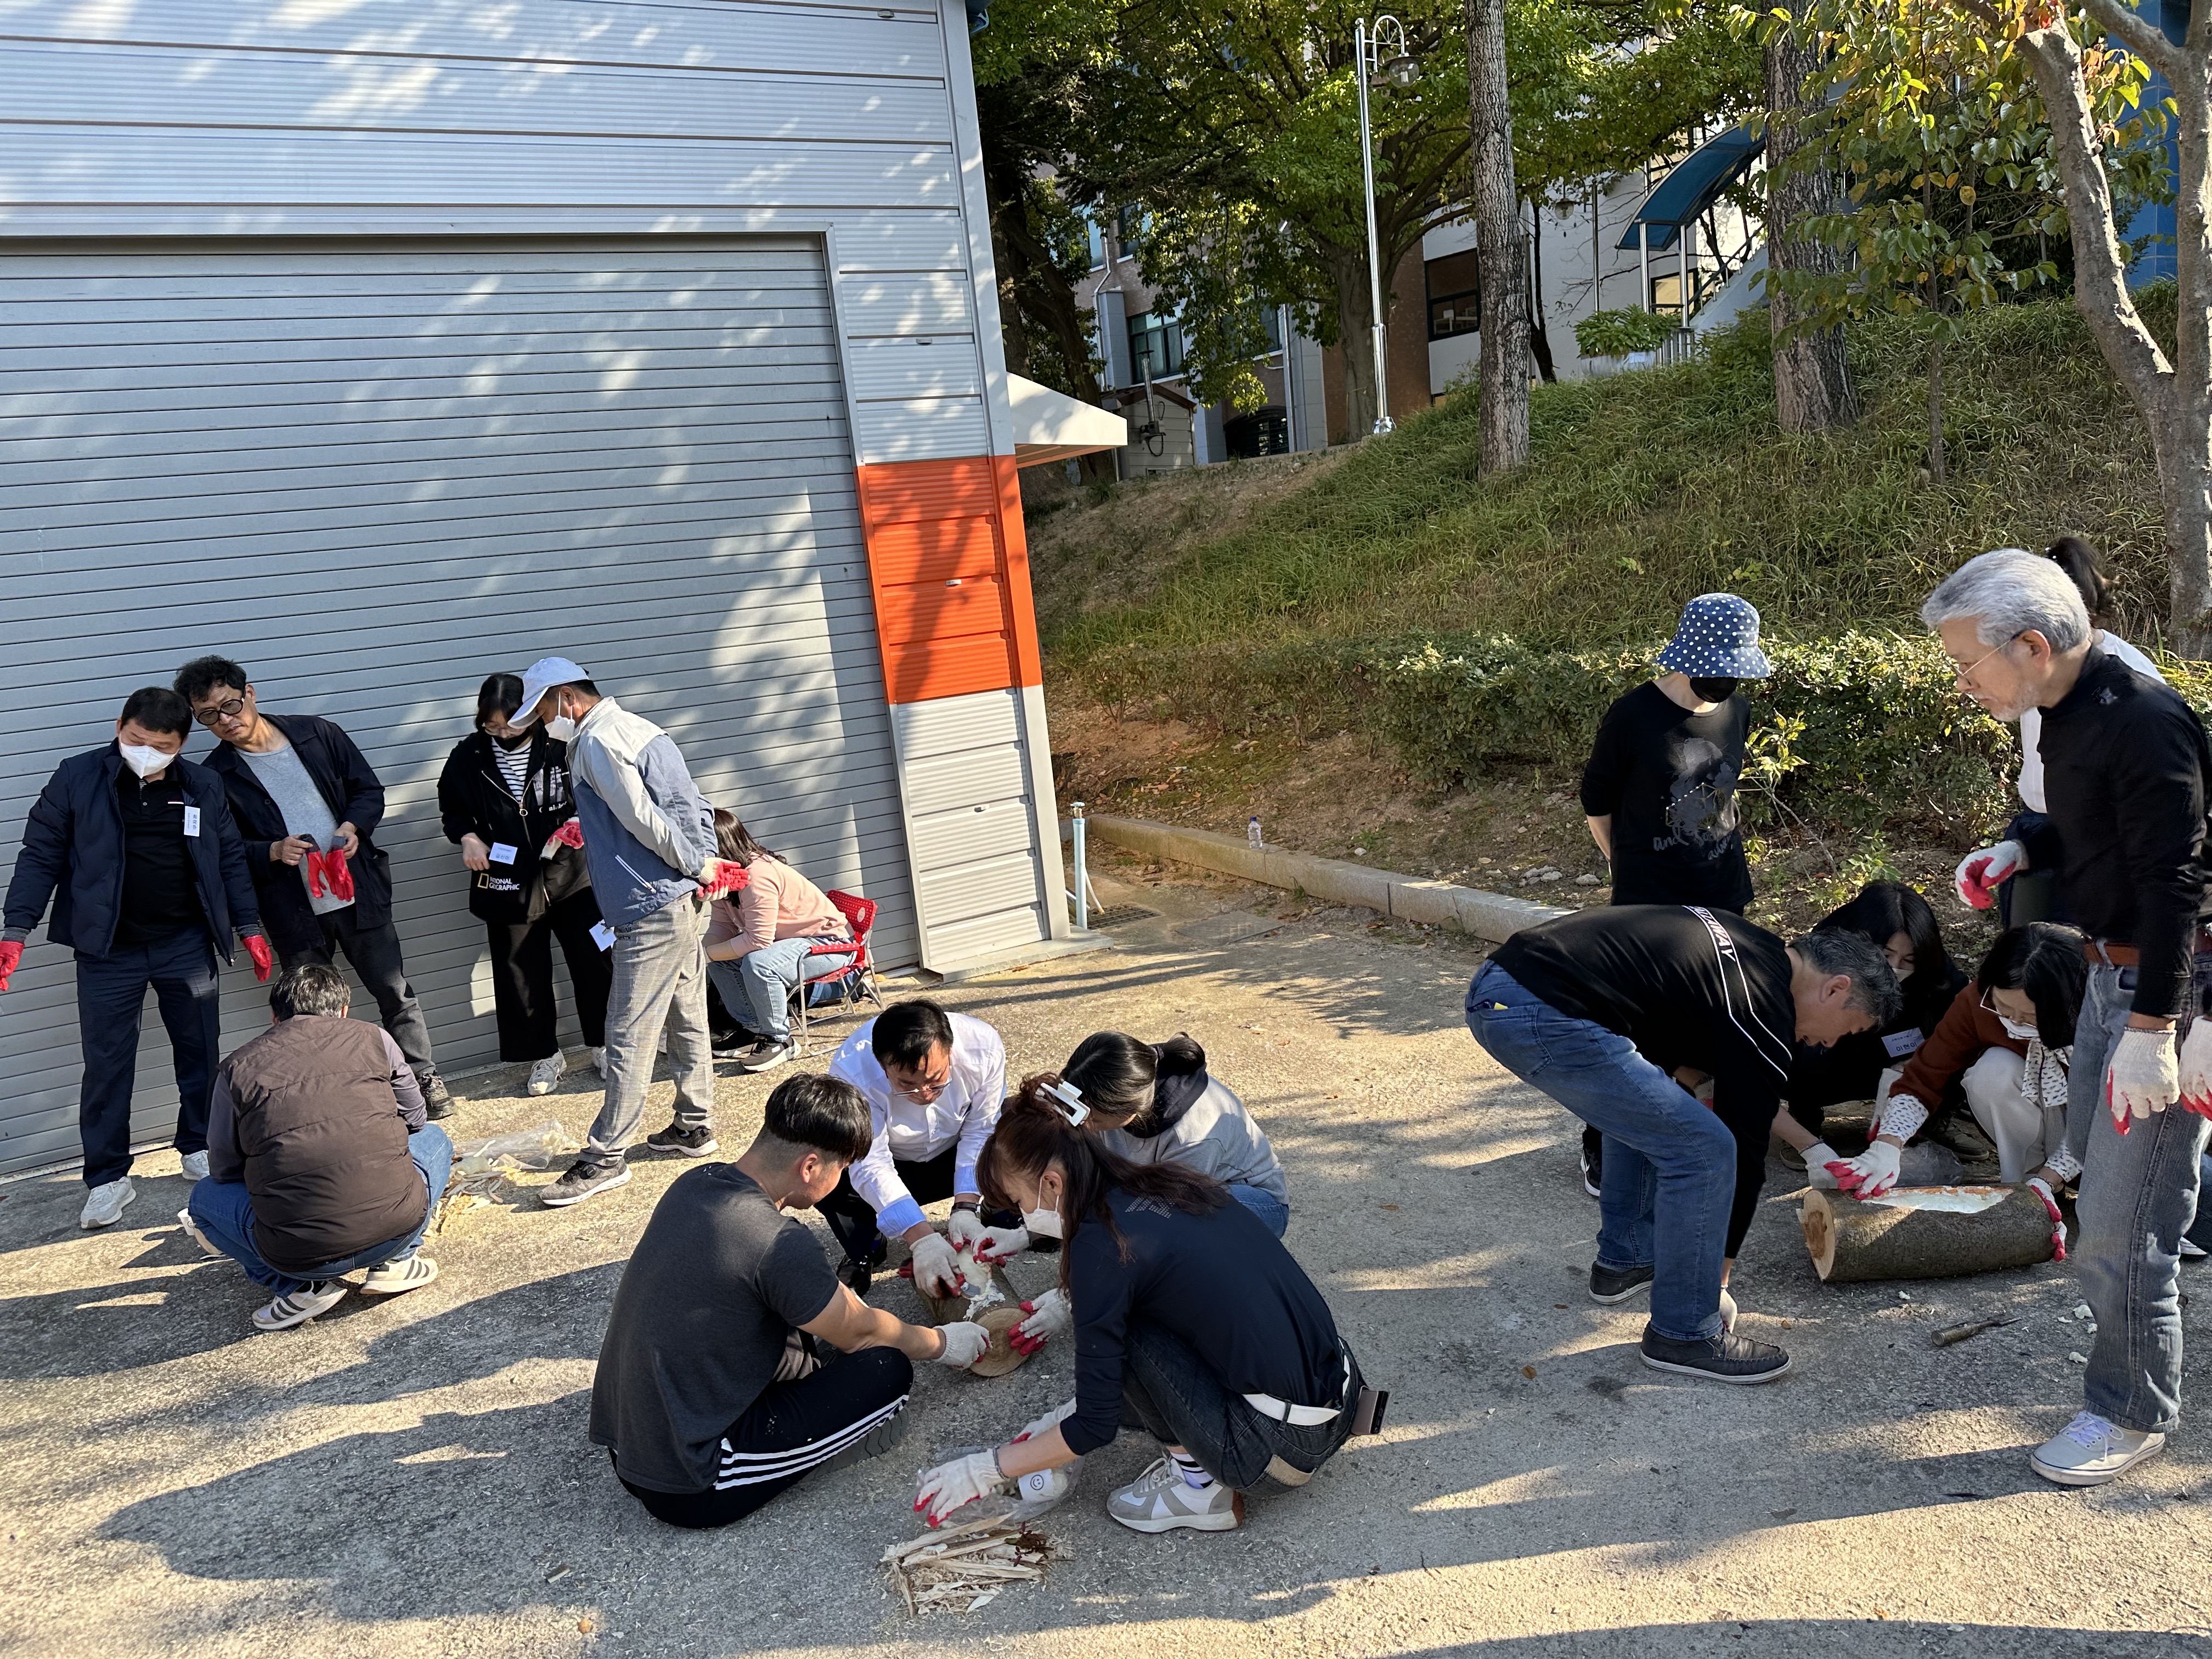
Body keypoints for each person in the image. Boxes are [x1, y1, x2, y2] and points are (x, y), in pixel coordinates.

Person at [1927, 548, 2212, 1485]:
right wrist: (2016, 846)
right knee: (2104, 1194)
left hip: (2158, 992)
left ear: (2033, 644)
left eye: (1967, 664)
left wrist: (2157, 1032)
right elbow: (2086, 825)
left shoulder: (2144, 720)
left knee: (2126, 1224)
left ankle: (2128, 1409)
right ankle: (2126, 1369)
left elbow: (2179, 884)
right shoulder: (2059, 706)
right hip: (2103, 978)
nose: (1961, 681)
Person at [913, 1077, 1365, 1537]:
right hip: (1340, 1400)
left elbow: (1095, 1424)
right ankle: (1209, 1459)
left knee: (1125, 1331)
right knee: (1139, 1318)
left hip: (1274, 1454)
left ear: (1052, 1183)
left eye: (1019, 1200)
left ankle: (1200, 1491)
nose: (1024, 1213)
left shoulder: (1102, 1250)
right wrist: (1059, 1424)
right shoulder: (1165, 1182)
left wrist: (988, 1468)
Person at [1466, 905, 1898, 1383]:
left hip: (1506, 986)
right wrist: (1714, 1283)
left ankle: (1626, 1259)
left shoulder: (1750, 949)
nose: (1829, 1044)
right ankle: (1685, 1332)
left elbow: (1661, 1027)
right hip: (1542, 1011)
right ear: (1835, 988)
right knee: (1705, 1151)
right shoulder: (1763, 1007)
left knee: (1656, 1112)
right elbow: (1744, 1152)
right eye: (1849, 1028)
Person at [590, 1072, 989, 1529]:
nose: (842, 1185)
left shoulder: (696, 1182)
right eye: (842, 1171)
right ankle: (818, 1452)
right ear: (811, 1167)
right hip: (692, 1479)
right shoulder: (776, 1242)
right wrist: (942, 1342)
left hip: (628, 1440)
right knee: (887, 1368)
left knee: (814, 1321)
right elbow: (862, 1331)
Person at [2, 689, 272, 1229]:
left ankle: (198, 1145)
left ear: (182, 744)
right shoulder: (78, 779)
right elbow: (40, 854)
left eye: (161, 746)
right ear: (120, 726)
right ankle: (107, 1178)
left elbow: (228, 866)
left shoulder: (202, 786)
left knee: (200, 1053)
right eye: (135, 741)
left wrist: (248, 928)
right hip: (108, 953)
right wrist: (16, 929)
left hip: (185, 945)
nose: (145, 752)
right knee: (107, 1066)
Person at [505, 658, 745, 1207]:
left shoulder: (595, 741)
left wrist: (696, 863)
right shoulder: (638, 729)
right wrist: (698, 863)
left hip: (651, 905)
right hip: (680, 899)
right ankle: (694, 1125)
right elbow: (685, 804)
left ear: (567, 698)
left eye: (543, 711)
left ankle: (605, 1155)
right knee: (687, 1016)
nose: (544, 723)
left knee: (628, 1032)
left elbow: (644, 818)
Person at [177, 656, 452, 1119]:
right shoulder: (213, 778)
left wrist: (353, 828)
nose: (226, 721)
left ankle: (421, 1077)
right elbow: (220, 851)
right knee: (310, 1014)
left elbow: (368, 791)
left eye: (230, 705)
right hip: (292, 908)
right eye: (209, 716)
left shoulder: (318, 734)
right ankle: (338, 1094)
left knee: (393, 991)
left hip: (356, 891)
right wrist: (269, 850)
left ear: (251, 694)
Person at [1575, 592, 1771, 1197]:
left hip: (1723, 886)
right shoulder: (1633, 715)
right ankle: (1603, 1144)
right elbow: (1595, 802)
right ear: (1687, 657)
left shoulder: (1734, 706)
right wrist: (1625, 868)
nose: (1725, 681)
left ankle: (1705, 1127)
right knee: (1636, 1026)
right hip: (1650, 898)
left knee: (1719, 1012)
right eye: (1718, 668)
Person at [179, 966, 453, 1333]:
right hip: (398, 1227)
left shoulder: (236, 1068)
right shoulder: (375, 1038)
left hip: (299, 1257)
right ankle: (397, 1261)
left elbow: (225, 1169)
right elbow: (416, 1119)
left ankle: (297, 1289)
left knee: (204, 1199)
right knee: (436, 1139)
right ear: (343, 1010)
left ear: (275, 1016)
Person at [436, 673, 612, 1097]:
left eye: (511, 723)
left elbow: (596, 794)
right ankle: (544, 1056)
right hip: (507, 879)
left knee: (596, 961)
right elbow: (453, 810)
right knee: (519, 973)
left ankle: (606, 1045)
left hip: (573, 873)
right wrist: (469, 837)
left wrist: (577, 823)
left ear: (532, 712)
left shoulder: (561, 745)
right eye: (492, 726)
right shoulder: (468, 757)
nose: (502, 733)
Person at [1982, 538, 2169, 927]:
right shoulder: (2031, 664)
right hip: (2037, 827)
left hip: (2102, 840)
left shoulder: (2132, 680)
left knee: (2084, 963)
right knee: (2025, 961)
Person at [1830, 924, 2087, 1193]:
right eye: (2004, 1008)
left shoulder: (2100, 1017)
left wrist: (2056, 1172)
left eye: (2031, 1017)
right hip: (2037, 1123)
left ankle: (2050, 1182)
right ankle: (2026, 1184)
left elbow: (2102, 1117)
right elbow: (1925, 1076)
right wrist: (1886, 1146)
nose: (2014, 1021)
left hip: (2100, 1135)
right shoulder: (1976, 1003)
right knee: (1993, 1071)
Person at [1773, 882, 1966, 1181]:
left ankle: (1926, 1120)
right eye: (1885, 955)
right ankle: (1805, 1115)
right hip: (1834, 1056)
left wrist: (1915, 1068)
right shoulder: (1821, 953)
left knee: (1958, 1057)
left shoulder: (1938, 973)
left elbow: (1959, 1027)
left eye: (1909, 961)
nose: (1895, 968)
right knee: (1803, 1054)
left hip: (1901, 1059)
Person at [821, 999, 1010, 1294]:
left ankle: (994, 1205)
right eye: (907, 1083)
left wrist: (964, 1207)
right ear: (882, 1066)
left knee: (1015, 1127)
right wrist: (921, 1238)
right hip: (893, 1159)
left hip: (954, 1150)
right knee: (824, 1165)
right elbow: (871, 1162)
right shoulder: (852, 1071)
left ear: (950, 1050)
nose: (924, 1093)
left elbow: (981, 1130)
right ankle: (867, 1245)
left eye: (936, 1080)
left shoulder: (983, 1046)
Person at [701, 809, 853, 1076]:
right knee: (719, 961)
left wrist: (707, 955)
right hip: (790, 941)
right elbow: (721, 927)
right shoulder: (728, 877)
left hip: (828, 943)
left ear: (719, 845)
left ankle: (780, 1039)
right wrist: (703, 953)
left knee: (759, 964)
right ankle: (754, 1029)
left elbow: (759, 940)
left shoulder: (758, 875)